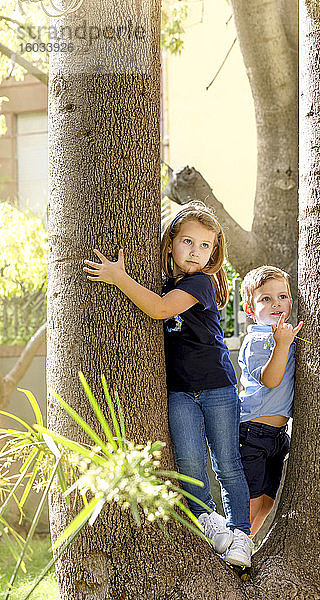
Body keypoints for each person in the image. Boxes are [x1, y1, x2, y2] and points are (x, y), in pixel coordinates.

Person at [83, 202, 253, 567]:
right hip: (178, 391)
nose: (196, 252)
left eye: (206, 245)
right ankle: (209, 519)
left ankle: (241, 536)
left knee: (228, 463)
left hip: (217, 387)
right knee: (190, 460)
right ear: (170, 242)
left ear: (214, 253)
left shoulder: (200, 282)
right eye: (188, 241)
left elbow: (159, 309)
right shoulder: (163, 281)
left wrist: (119, 278)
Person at [238, 265, 304, 536]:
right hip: (252, 432)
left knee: (268, 501)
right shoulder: (258, 339)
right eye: (266, 299)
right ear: (250, 310)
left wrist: (286, 342)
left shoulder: (284, 335)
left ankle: (245, 543)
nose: (277, 304)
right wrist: (282, 345)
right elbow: (271, 380)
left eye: (283, 296)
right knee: (251, 501)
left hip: (277, 435)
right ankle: (234, 545)